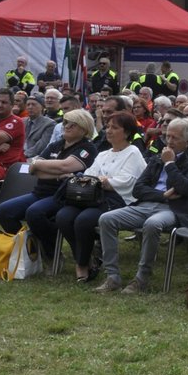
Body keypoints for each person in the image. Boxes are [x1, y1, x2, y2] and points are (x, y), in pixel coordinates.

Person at [94, 117, 188, 293]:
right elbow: (138, 189)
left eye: (174, 138)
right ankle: (112, 276)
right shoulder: (156, 159)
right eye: (167, 136)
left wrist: (170, 163)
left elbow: (186, 188)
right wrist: (162, 195)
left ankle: (141, 278)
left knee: (153, 224)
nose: (169, 141)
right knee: (106, 219)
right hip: (147, 205)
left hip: (175, 210)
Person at [57, 111, 147, 283]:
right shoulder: (103, 154)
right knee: (63, 216)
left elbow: (126, 181)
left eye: (115, 127)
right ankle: (86, 258)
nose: (109, 130)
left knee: (83, 220)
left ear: (127, 132)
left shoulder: (133, 152)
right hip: (91, 196)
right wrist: (100, 180)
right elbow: (90, 175)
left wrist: (103, 181)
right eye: (107, 127)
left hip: (117, 199)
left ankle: (82, 264)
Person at [0, 108, 98, 259]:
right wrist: (54, 172)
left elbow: (65, 166)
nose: (66, 126)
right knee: (4, 211)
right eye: (65, 123)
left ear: (84, 129)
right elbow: (34, 170)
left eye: (73, 124)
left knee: (35, 212)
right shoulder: (56, 145)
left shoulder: (87, 148)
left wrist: (41, 165)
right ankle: (28, 249)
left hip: (63, 196)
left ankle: (51, 252)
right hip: (39, 193)